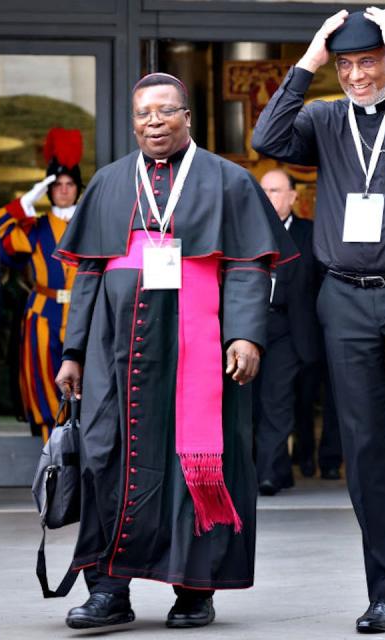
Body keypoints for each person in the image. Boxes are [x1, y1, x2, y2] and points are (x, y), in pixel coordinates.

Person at [252, 7, 385, 632]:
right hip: (344, 299)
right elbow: (268, 138)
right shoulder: (323, 119)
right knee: (365, 444)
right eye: (345, 65)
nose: (355, 75)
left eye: (366, 61)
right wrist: (308, 61)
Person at [53, 72, 294, 630]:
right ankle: (109, 589)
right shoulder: (111, 182)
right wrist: (73, 351)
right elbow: (88, 274)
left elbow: (247, 267)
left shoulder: (228, 182)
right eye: (143, 115)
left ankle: (194, 588)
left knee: (199, 464)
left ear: (188, 116)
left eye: (165, 112)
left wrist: (246, 334)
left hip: (200, 351)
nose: (153, 123)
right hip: (118, 353)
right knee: (108, 459)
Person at [0, 128, 83, 440]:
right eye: (56, 185)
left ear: (78, 187)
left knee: (85, 384)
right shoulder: (35, 226)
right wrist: (22, 204)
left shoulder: (89, 224)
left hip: (83, 312)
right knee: (45, 386)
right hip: (43, 313)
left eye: (69, 184)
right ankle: (52, 453)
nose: (63, 190)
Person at [254, 168, 320, 495]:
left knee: (276, 400)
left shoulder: (311, 233)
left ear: (293, 197)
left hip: (289, 329)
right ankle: (278, 468)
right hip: (250, 327)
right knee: (251, 403)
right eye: (264, 190)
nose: (268, 197)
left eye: (276, 191)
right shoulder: (246, 231)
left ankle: (266, 474)